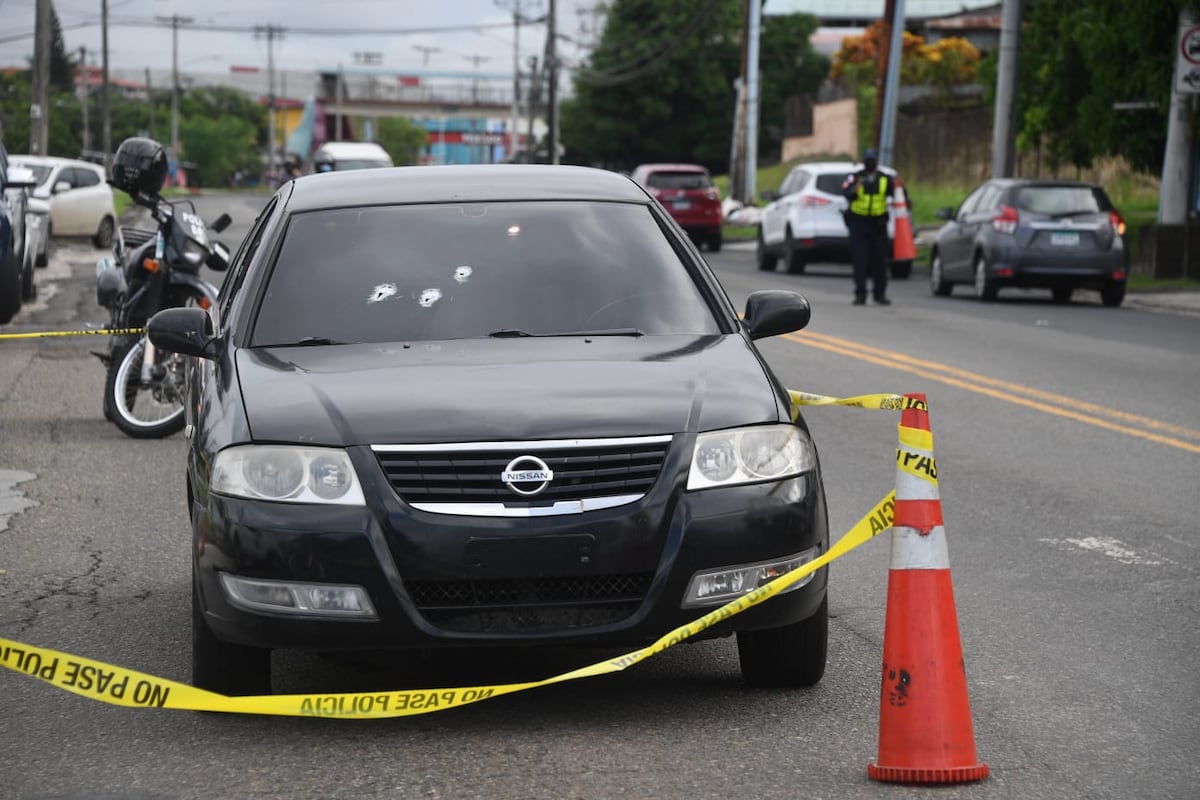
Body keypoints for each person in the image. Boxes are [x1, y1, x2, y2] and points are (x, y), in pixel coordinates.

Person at [842, 148, 894, 305]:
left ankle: (880, 294)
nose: (870, 163)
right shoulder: (855, 177)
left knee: (880, 261)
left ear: (877, 161)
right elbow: (846, 192)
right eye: (868, 160)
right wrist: (856, 187)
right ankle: (860, 294)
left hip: (878, 224)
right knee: (860, 261)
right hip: (859, 223)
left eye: (873, 160)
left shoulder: (885, 179)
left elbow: (897, 197)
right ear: (864, 161)